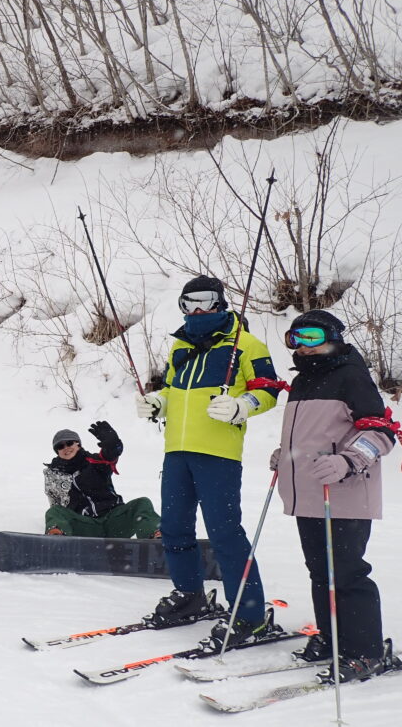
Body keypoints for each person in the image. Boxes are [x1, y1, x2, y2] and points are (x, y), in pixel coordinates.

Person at [134, 276, 281, 645]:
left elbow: (269, 390)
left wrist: (242, 406)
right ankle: (190, 595)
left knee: (225, 534)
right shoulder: (180, 346)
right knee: (174, 528)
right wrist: (158, 403)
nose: (197, 310)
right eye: (189, 303)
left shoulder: (246, 344)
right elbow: (172, 389)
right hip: (177, 453)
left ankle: (249, 615)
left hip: (219, 456)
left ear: (220, 302)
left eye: (204, 300)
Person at [272, 310, 402, 682]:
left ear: (333, 337)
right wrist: (285, 455)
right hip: (309, 495)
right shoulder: (302, 381)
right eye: (295, 338)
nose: (303, 346)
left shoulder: (351, 376)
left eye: (312, 337)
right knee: (320, 572)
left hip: (344, 493)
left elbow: (381, 432)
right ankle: (332, 639)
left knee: (346, 573)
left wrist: (348, 461)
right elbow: (312, 434)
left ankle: (365, 652)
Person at [43, 422, 161, 539]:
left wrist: (113, 445)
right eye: (60, 446)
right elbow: (55, 504)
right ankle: (56, 539)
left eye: (69, 443)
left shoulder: (94, 462)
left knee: (142, 504)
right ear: (57, 451)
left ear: (78, 444)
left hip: (114, 521)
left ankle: (154, 538)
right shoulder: (54, 475)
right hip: (86, 526)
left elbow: (110, 455)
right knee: (54, 511)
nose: (66, 448)